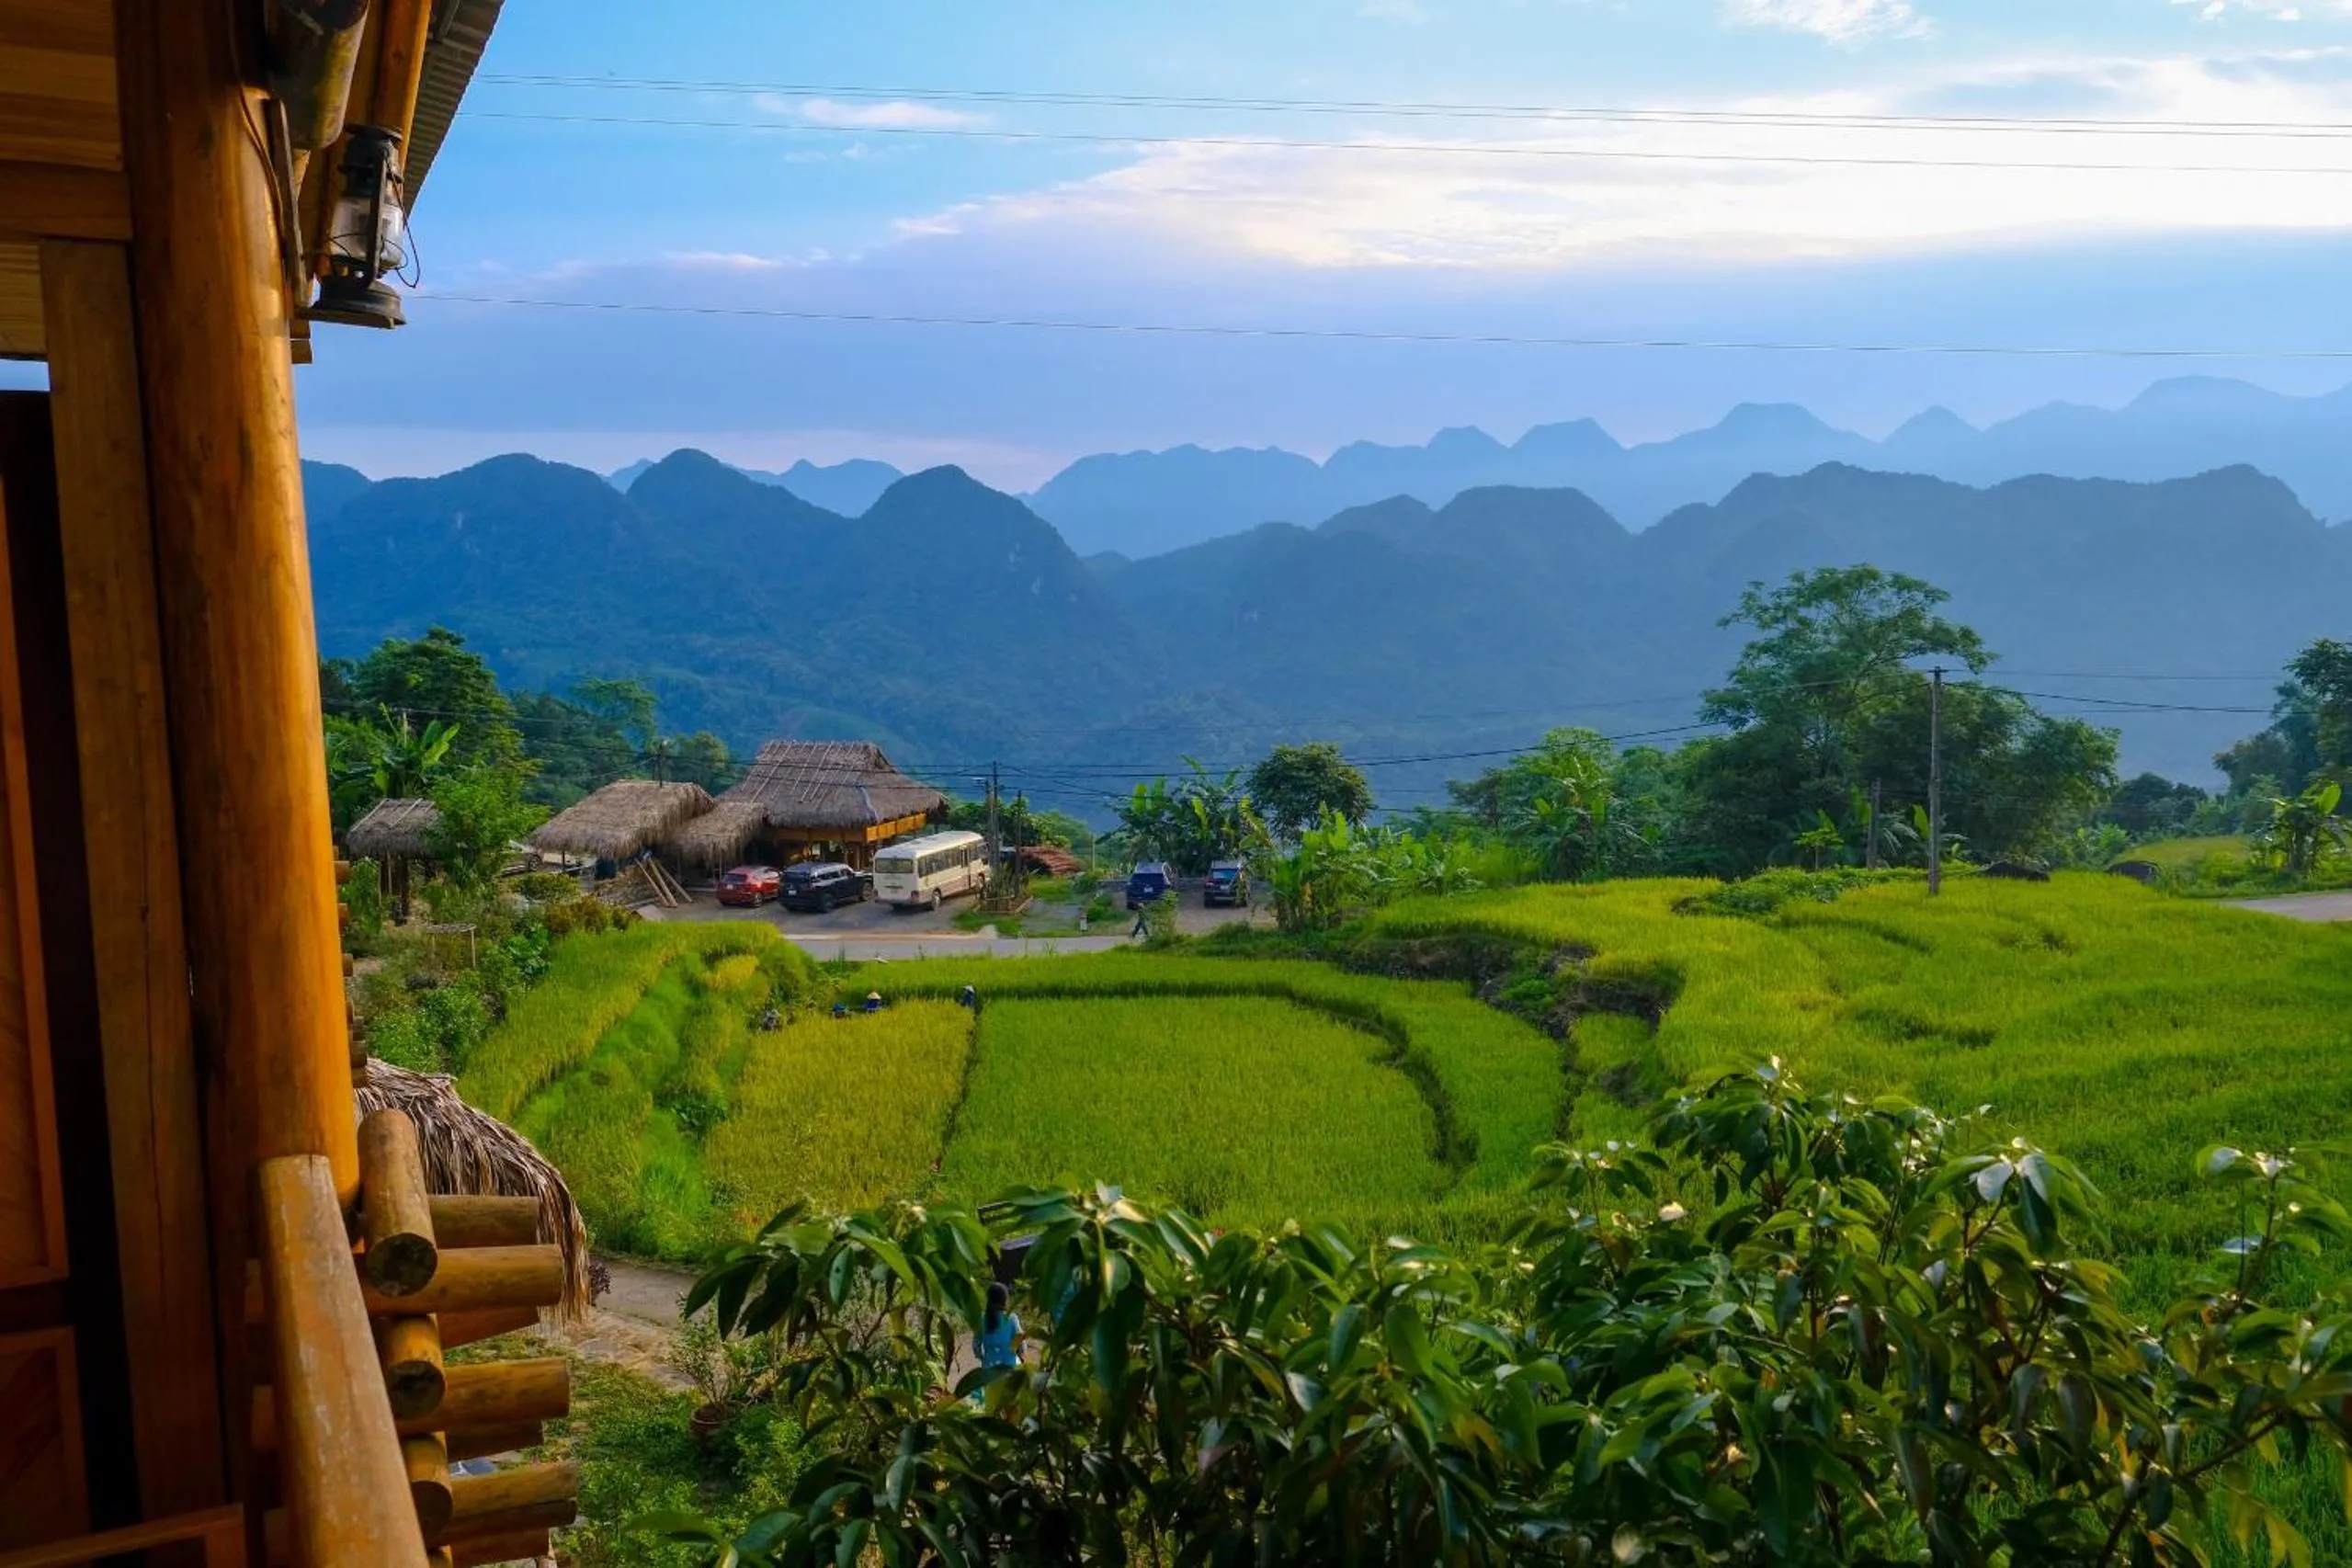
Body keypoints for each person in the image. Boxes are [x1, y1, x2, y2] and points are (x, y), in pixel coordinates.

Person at [975, 1281, 1020, 1373]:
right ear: (1005, 1300)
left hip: (989, 1370)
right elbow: (1022, 1345)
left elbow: (976, 1346)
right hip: (1009, 1371)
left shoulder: (982, 1319)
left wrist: (983, 1358)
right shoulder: (1012, 1319)